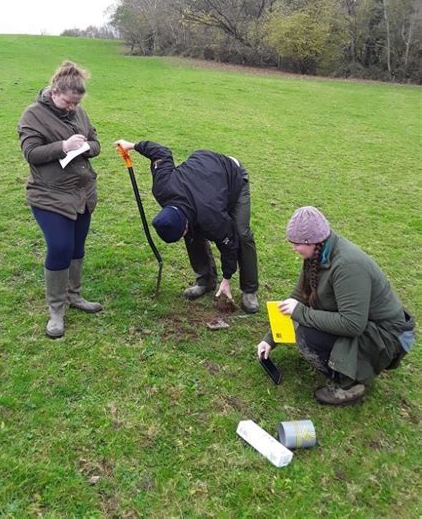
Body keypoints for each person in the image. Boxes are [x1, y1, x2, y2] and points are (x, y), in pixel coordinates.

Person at [257, 206, 415, 405]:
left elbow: (352, 324)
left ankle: (351, 383)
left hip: (387, 336)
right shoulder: (316, 254)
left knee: (307, 334)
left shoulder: (347, 266)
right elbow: (299, 297)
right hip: (365, 323)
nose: (293, 248)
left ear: (312, 241)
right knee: (304, 323)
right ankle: (351, 365)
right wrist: (270, 339)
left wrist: (302, 314)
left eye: (296, 244)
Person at [114, 139, 259, 313]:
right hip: (204, 175)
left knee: (241, 234)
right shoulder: (162, 187)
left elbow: (229, 242)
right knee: (193, 235)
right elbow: (161, 153)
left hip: (232, 175)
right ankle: (206, 280)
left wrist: (227, 278)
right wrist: (133, 146)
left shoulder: (211, 217)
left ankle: (249, 290)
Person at [18, 61, 103, 338]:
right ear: (55, 91)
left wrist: (88, 147)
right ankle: (56, 310)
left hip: (82, 192)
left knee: (77, 245)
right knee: (60, 246)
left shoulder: (80, 112)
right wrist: (63, 147)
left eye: (75, 104)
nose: (71, 108)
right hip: (49, 194)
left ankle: (74, 296)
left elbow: (96, 142)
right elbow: (31, 153)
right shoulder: (33, 115)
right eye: (67, 102)